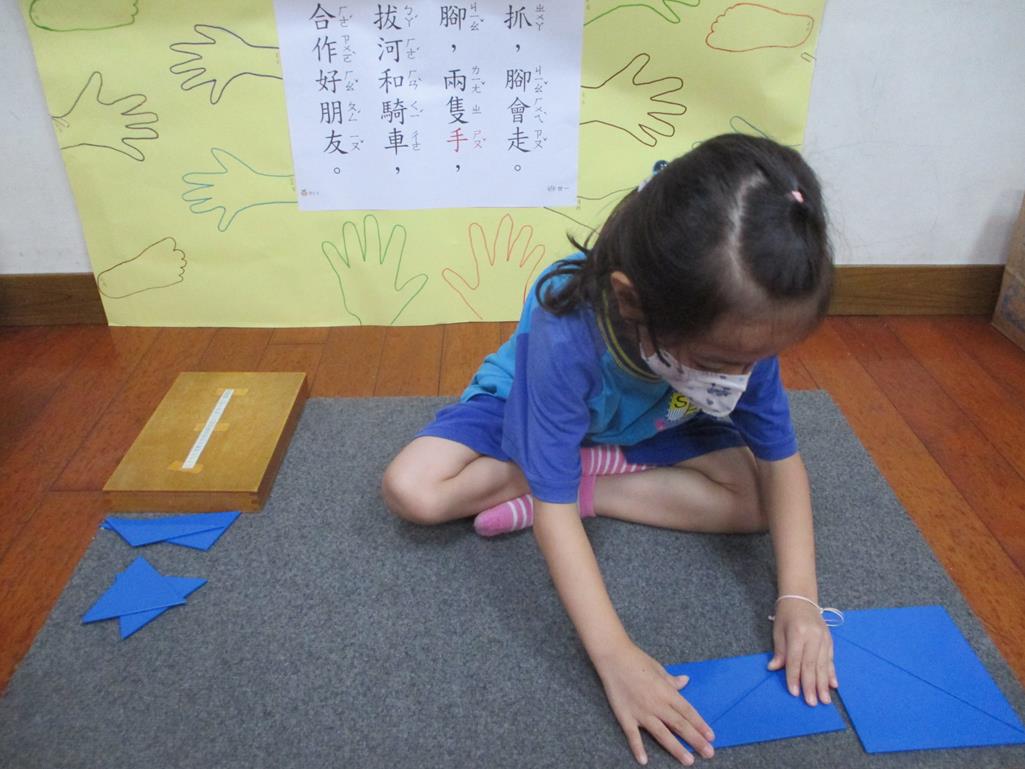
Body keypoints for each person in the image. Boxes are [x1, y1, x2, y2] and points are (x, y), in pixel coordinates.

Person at [381, 134, 837, 766]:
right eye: (722, 360)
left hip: (661, 420)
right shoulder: (564, 325)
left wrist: (800, 599)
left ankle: (589, 479)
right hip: (538, 405)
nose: (743, 375)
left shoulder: (741, 330)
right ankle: (559, 470)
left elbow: (782, 462)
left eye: (757, 360)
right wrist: (615, 655)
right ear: (630, 300)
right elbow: (554, 519)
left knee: (761, 504)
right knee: (412, 491)